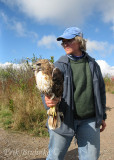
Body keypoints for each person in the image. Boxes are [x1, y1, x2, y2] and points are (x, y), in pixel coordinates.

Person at [41, 27, 107, 160]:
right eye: (63, 42)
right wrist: (47, 100)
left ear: (79, 41)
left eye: (69, 40)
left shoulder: (93, 65)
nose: (65, 44)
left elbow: (101, 91)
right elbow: (46, 89)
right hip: (64, 119)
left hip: (89, 120)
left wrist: (102, 115)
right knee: (55, 156)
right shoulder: (59, 65)